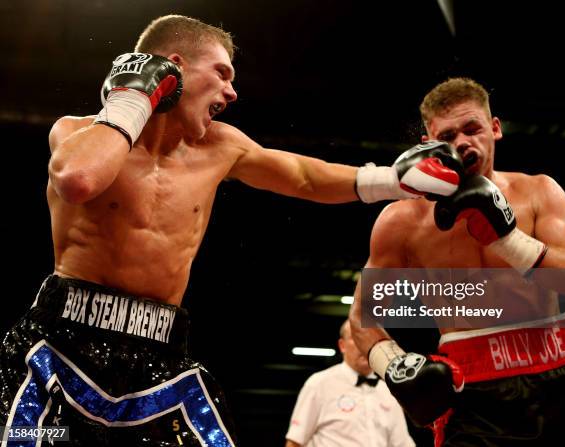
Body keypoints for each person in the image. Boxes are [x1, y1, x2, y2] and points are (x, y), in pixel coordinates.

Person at [0, 14, 464, 447]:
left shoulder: (221, 146)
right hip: (60, 346)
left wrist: (393, 180)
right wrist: (132, 98)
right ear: (173, 67)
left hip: (161, 358)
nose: (233, 91)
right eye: (222, 73)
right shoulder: (77, 131)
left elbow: (303, 176)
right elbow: (80, 179)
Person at [349, 77, 565, 446]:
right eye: (448, 135)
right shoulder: (401, 221)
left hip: (563, 380)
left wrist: (506, 238)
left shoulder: (539, 191)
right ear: (428, 144)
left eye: (472, 129)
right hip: (475, 392)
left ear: (495, 128)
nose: (461, 143)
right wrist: (392, 364)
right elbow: (363, 317)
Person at [285, 320, 415, 447]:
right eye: (356, 338)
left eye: (371, 340)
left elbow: (401, 443)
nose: (364, 345)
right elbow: (295, 442)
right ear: (342, 345)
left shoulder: (389, 391)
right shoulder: (319, 384)